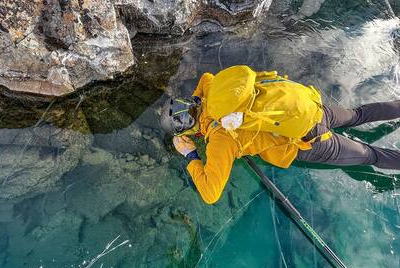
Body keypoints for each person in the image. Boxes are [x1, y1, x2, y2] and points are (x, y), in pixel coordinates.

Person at [160, 69, 400, 204]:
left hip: (308, 142)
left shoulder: (221, 140)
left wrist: (190, 155)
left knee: (370, 154)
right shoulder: (212, 91)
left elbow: (211, 194)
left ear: (188, 131)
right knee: (357, 114)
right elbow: (206, 77)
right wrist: (197, 102)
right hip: (311, 108)